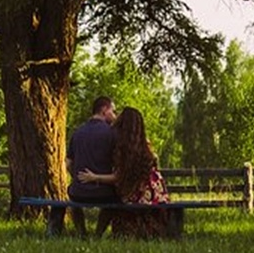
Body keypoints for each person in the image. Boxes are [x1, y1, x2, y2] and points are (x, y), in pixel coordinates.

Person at [75, 106, 170, 238]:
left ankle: (92, 235)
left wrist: (95, 177)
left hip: (136, 195)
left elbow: (119, 176)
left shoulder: (123, 147)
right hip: (155, 194)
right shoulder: (144, 145)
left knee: (114, 198)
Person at [54, 95, 119, 235]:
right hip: (104, 192)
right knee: (117, 197)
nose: (114, 115)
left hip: (78, 192)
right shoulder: (112, 133)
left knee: (71, 194)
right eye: (113, 111)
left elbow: (68, 163)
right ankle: (98, 233)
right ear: (104, 110)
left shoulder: (77, 133)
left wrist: (77, 177)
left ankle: (81, 232)